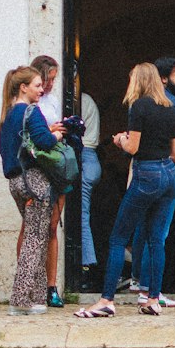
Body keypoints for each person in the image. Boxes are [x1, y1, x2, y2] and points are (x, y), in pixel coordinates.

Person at [74, 63, 175, 319]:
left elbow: (132, 148)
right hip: (168, 175)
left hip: (146, 174)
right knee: (156, 240)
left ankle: (106, 300)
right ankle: (153, 298)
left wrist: (120, 139)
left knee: (119, 237)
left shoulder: (139, 106)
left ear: (138, 81)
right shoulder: (170, 108)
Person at [0, 67, 65, 314]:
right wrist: (56, 134)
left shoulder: (8, 115)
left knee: (36, 235)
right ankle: (19, 300)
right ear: (23, 87)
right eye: (37, 85)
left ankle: (36, 297)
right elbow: (45, 142)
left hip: (15, 181)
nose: (41, 89)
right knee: (35, 240)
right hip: (33, 181)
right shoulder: (31, 111)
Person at [129, 55, 175, 305]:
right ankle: (149, 289)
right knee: (158, 234)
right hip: (166, 170)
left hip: (141, 170)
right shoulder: (172, 104)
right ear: (163, 78)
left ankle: (138, 280)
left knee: (142, 229)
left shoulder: (137, 104)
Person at [30, 54, 66, 307]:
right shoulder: (27, 104)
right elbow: (35, 135)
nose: (51, 84)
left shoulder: (52, 100)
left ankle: (51, 286)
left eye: (54, 79)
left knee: (53, 226)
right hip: (35, 167)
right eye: (48, 79)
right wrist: (51, 132)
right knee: (31, 229)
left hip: (56, 166)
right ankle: (30, 283)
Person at [79, 86, 101, 285]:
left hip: (84, 156)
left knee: (82, 216)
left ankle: (86, 267)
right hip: (92, 158)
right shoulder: (89, 99)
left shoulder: (79, 100)